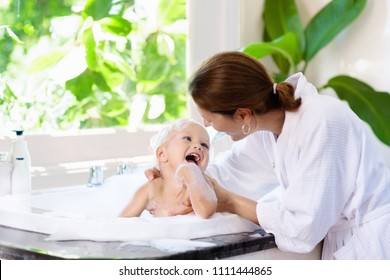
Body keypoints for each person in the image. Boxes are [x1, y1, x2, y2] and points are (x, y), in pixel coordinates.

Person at [147, 51, 390, 259]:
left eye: (210, 118)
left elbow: (302, 226)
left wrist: (229, 201)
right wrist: (172, 177)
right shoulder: (265, 129)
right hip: (347, 241)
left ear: (242, 115)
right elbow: (231, 173)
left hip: (375, 244)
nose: (206, 124)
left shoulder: (321, 123)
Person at [120, 119, 217, 218]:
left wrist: (192, 175)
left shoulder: (202, 184)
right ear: (162, 154)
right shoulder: (152, 189)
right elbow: (121, 223)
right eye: (187, 139)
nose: (198, 146)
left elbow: (206, 212)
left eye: (204, 145)